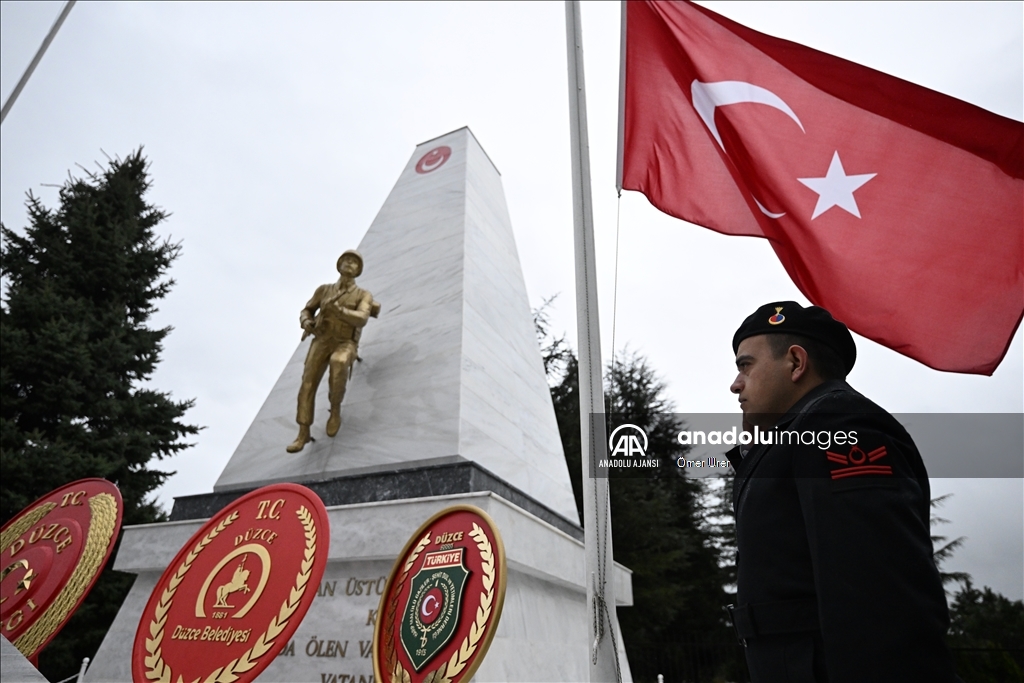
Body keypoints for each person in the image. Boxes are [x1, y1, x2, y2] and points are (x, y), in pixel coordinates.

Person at [724, 301, 960, 682]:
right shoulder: (797, 435)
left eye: (745, 365)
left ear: (796, 363)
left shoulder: (837, 426)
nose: (735, 383)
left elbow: (878, 596)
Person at [286, 250, 377, 453]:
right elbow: (307, 309)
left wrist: (339, 311)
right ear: (339, 265)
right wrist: (306, 321)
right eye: (346, 260)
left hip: (345, 342)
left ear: (358, 270)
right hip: (322, 340)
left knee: (339, 362)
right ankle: (303, 432)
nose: (349, 263)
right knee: (307, 382)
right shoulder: (324, 290)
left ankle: (334, 407)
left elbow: (362, 318)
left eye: (354, 262)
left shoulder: (363, 294)